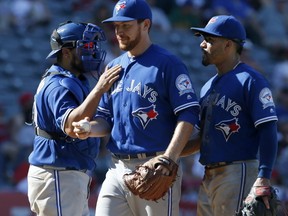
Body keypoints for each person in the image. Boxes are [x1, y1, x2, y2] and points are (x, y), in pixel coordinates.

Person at [72, 0, 200, 215]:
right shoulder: (114, 67)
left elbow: (188, 114)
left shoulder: (168, 64)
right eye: (116, 26)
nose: (119, 32)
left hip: (155, 167)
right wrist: (89, 128)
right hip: (117, 168)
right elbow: (105, 120)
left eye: (126, 25)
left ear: (146, 25)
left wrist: (169, 159)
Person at [27, 21, 121, 216]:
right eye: (85, 46)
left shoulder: (72, 79)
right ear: (66, 52)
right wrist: (100, 89)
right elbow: (71, 125)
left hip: (64, 174)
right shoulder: (58, 85)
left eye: (92, 45)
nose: (92, 50)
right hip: (58, 174)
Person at [190, 15, 278, 215]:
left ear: (228, 44)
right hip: (208, 175)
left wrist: (264, 176)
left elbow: (268, 129)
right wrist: (168, 157)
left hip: (238, 172)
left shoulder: (251, 81)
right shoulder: (207, 87)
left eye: (209, 40)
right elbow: (201, 137)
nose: (202, 44)